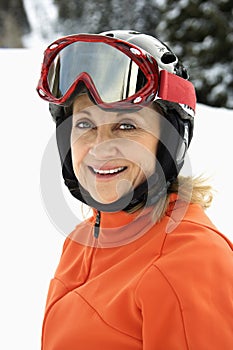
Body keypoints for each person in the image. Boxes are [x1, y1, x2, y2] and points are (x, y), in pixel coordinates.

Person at [37, 30, 233, 349]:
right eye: (85, 124)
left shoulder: (191, 263)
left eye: (126, 126)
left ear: (168, 144)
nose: (101, 148)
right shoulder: (82, 241)